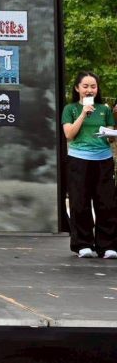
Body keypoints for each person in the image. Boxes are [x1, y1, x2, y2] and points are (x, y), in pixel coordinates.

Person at [61, 71, 117, 259]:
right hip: (79, 160)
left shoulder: (104, 110)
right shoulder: (70, 109)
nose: (89, 90)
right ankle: (83, 244)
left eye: (93, 86)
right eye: (85, 86)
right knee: (80, 202)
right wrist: (84, 114)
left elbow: (111, 137)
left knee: (107, 203)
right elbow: (69, 134)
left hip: (103, 160)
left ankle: (107, 245)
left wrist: (111, 132)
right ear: (77, 88)